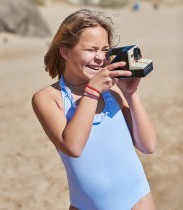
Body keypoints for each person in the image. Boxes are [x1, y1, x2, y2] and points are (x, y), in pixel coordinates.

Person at [32, 9, 157, 210]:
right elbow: (73, 147)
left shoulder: (114, 89)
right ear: (65, 52)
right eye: (91, 49)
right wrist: (92, 92)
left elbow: (148, 146)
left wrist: (131, 95)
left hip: (139, 201)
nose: (100, 57)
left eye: (105, 49)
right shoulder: (48, 98)